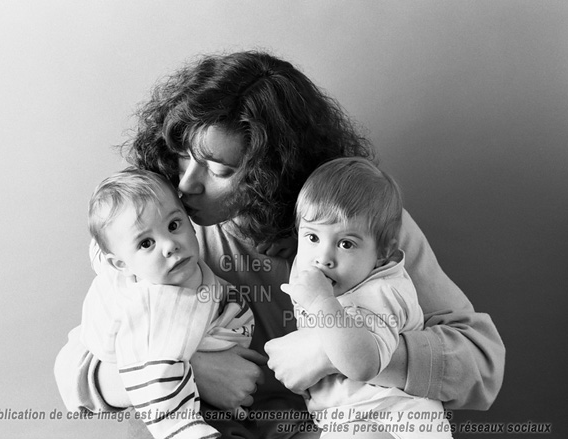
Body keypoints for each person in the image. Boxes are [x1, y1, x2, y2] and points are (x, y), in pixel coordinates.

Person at [54, 51, 505, 439]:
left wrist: (338, 352)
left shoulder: (362, 231)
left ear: (272, 170)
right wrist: (188, 373)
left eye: (219, 170)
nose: (186, 184)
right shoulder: (169, 238)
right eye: (184, 155)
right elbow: (73, 370)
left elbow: (481, 364)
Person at [279, 157, 452, 438]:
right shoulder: (328, 273)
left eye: (346, 244)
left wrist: (320, 303)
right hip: (350, 420)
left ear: (383, 252)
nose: (323, 258)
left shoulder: (382, 294)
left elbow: (362, 365)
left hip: (392, 424)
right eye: (312, 238)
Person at [80, 168, 254, 439]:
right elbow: (156, 382)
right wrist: (183, 428)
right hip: (178, 405)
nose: (170, 245)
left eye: (174, 226)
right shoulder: (150, 305)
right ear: (122, 264)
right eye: (146, 243)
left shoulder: (185, 268)